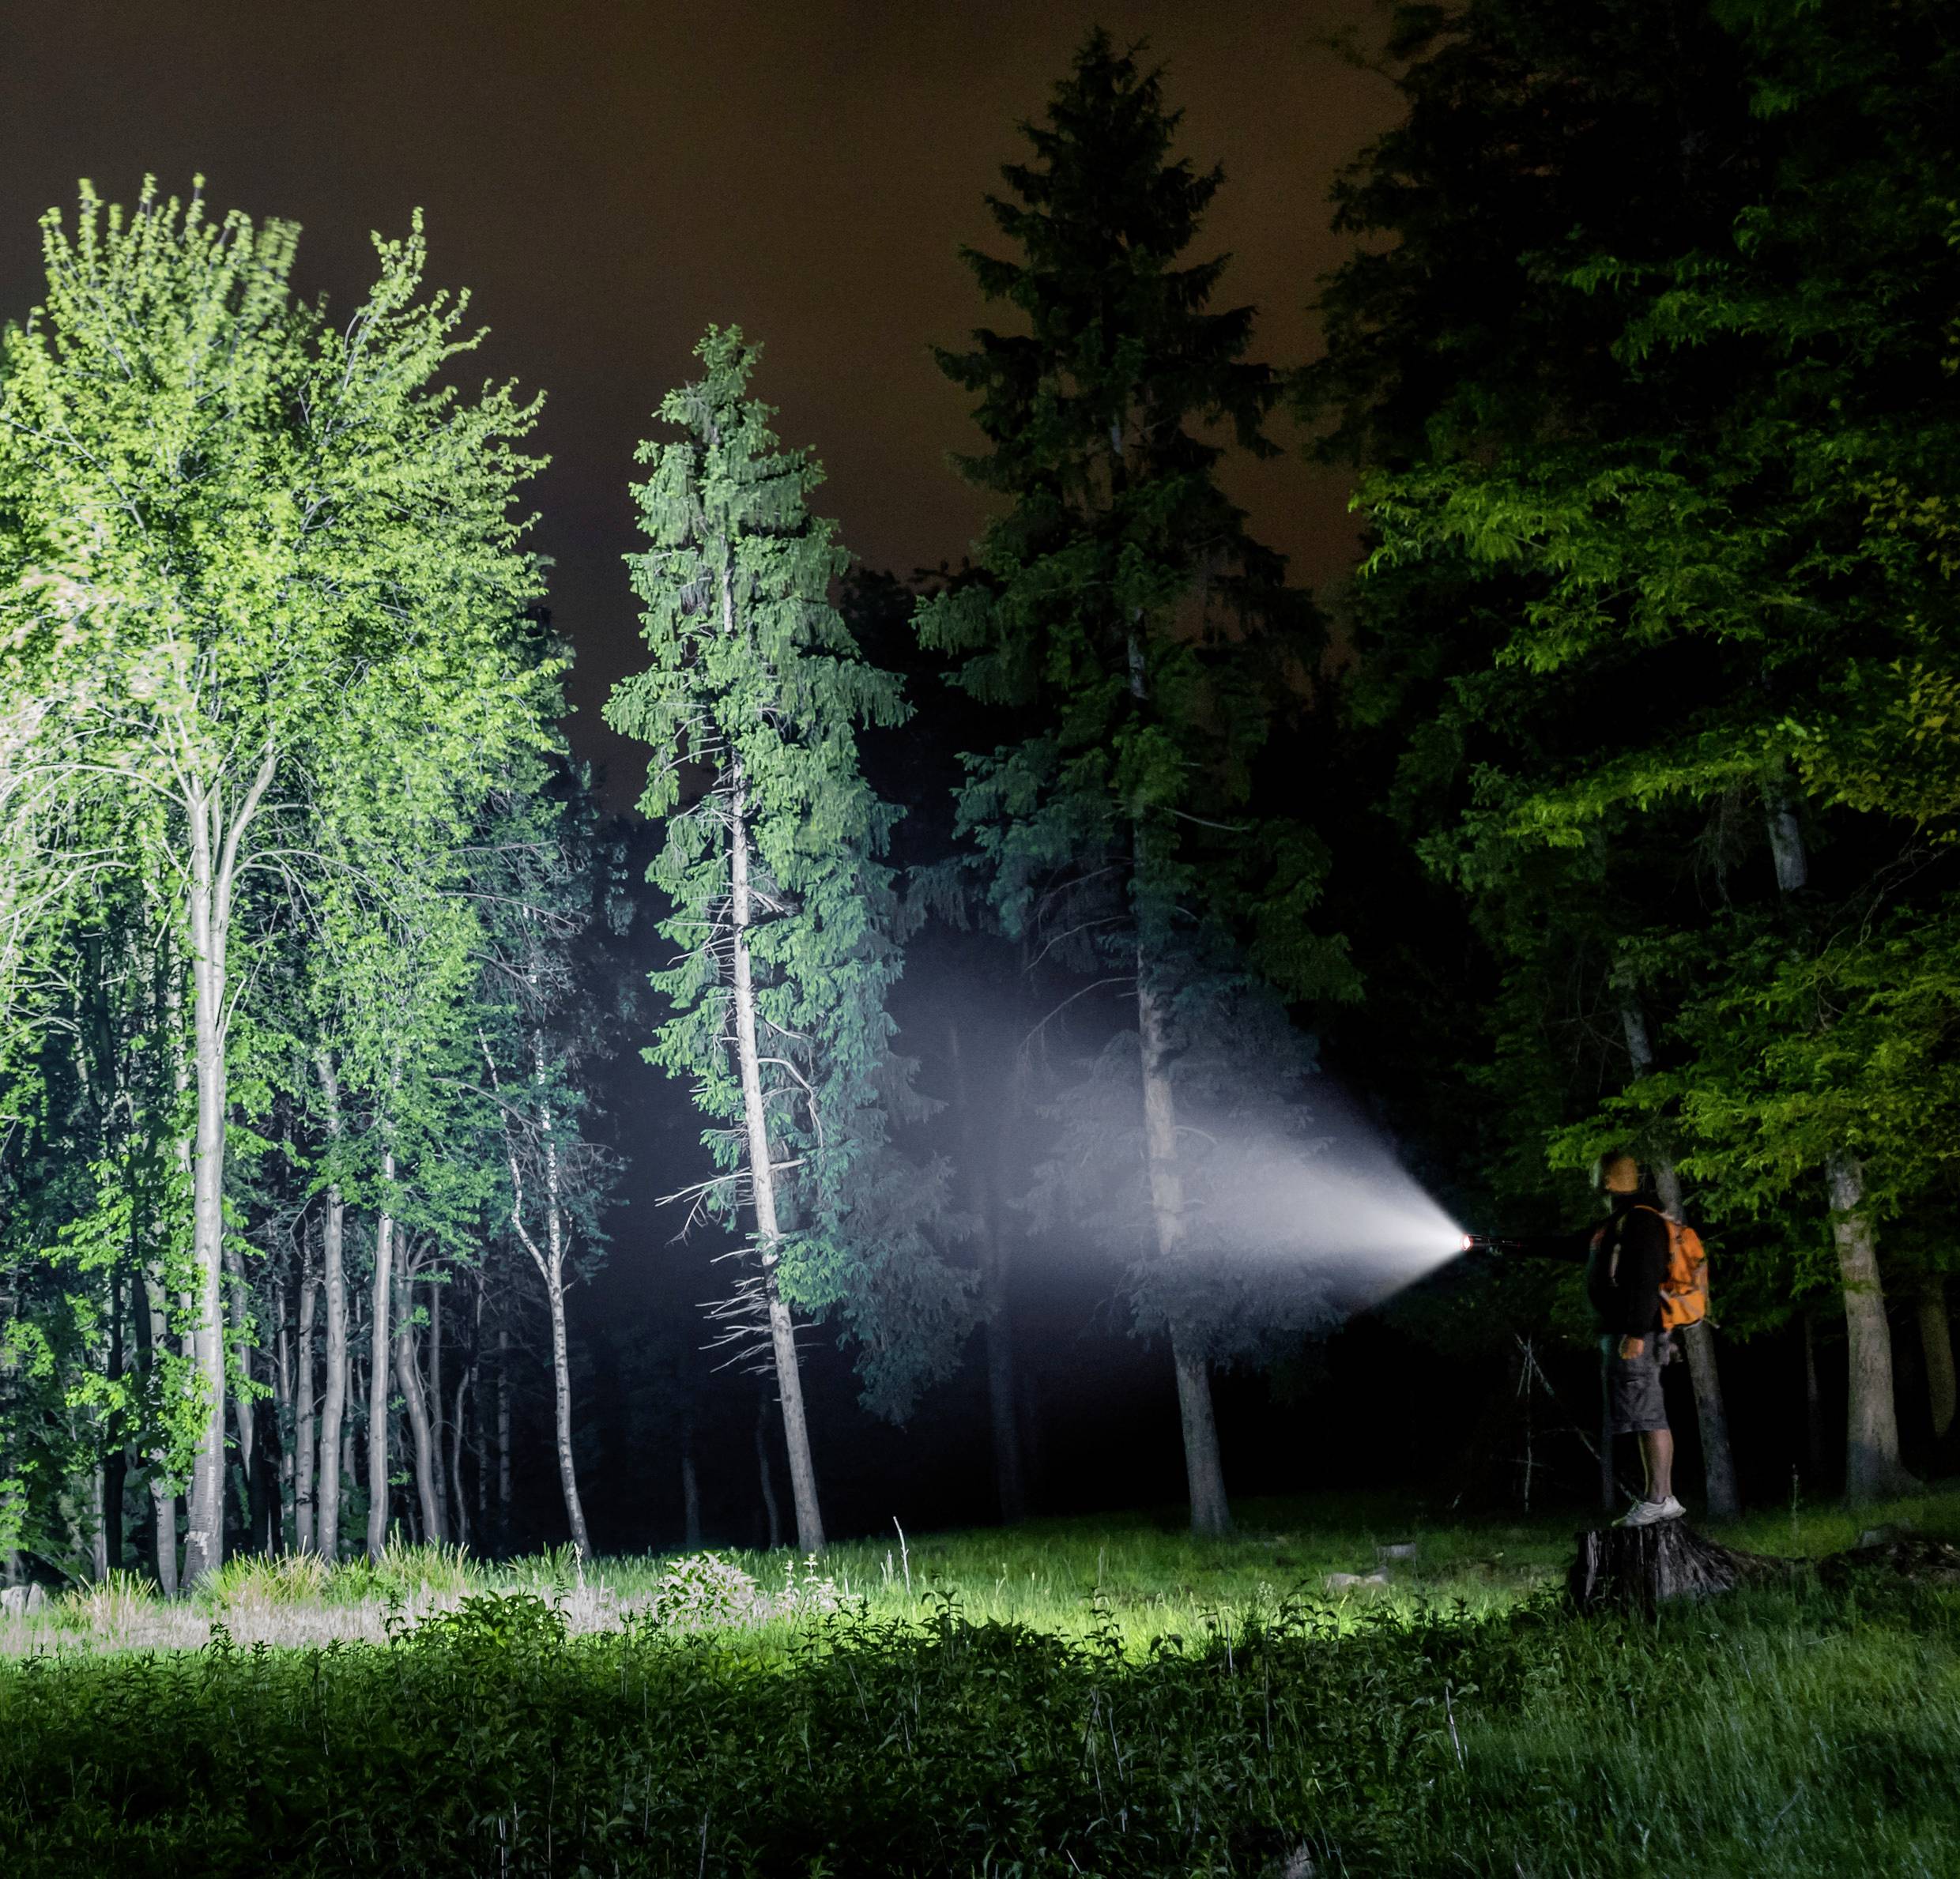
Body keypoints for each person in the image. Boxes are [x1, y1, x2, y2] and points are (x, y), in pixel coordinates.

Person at [1587, 1150, 1683, 1527]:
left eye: (1597, 1172)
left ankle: (1661, 1498)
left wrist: (1636, 1333)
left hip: (1638, 1334)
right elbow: (1571, 1246)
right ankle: (1658, 1497)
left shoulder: (1640, 1220)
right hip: (1635, 1332)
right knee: (1643, 1415)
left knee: (1649, 1414)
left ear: (1609, 1179)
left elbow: (1645, 1278)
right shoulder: (1621, 1221)